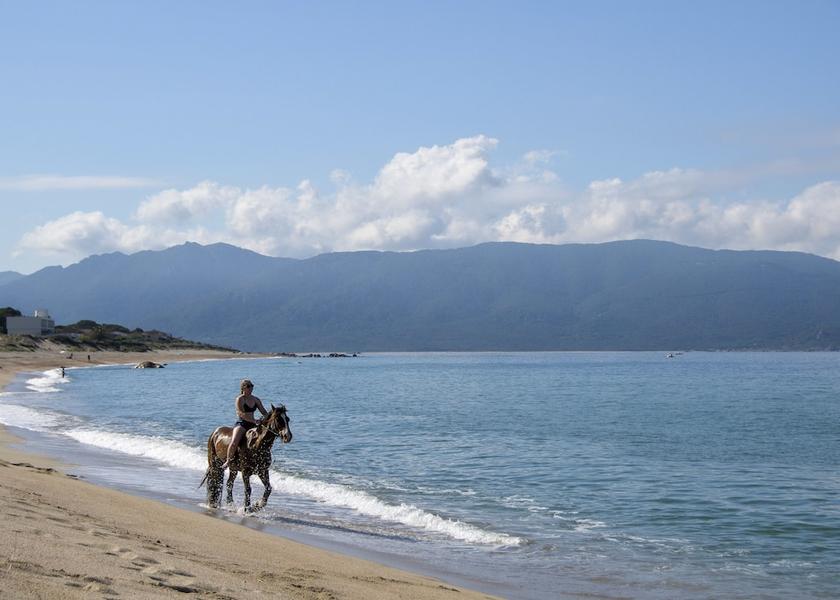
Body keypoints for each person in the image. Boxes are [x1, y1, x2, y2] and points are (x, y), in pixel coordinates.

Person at [220, 379, 268, 470]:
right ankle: (228, 460)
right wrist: (254, 420)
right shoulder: (240, 399)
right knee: (234, 442)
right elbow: (241, 414)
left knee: (263, 439)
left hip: (253, 425)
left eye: (252, 386)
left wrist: (271, 418)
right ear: (243, 388)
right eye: (248, 386)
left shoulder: (256, 399)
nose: (251, 388)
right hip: (242, 424)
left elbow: (264, 412)